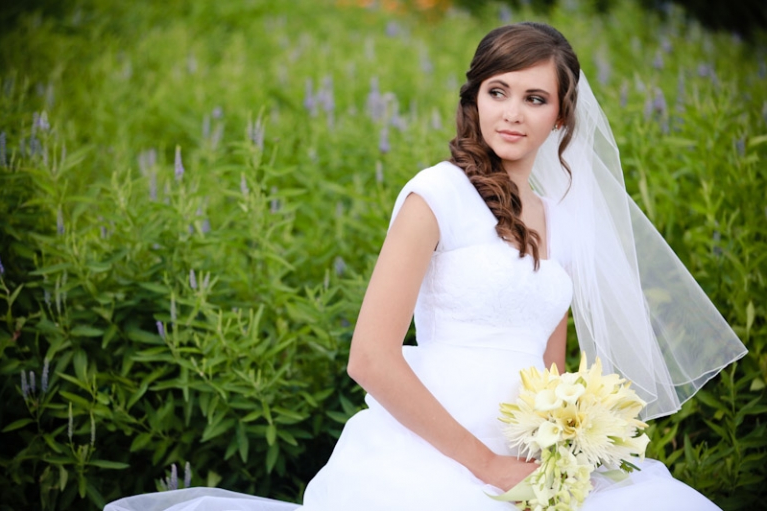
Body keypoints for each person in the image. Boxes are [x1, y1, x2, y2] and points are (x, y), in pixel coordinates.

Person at [105, 22, 746, 511]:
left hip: (528, 454)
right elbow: (369, 357)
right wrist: (485, 466)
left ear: (561, 114)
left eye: (534, 97)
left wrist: (563, 450)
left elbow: (550, 371)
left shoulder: (561, 219)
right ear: (475, 99)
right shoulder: (436, 195)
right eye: (498, 92)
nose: (513, 113)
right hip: (436, 452)